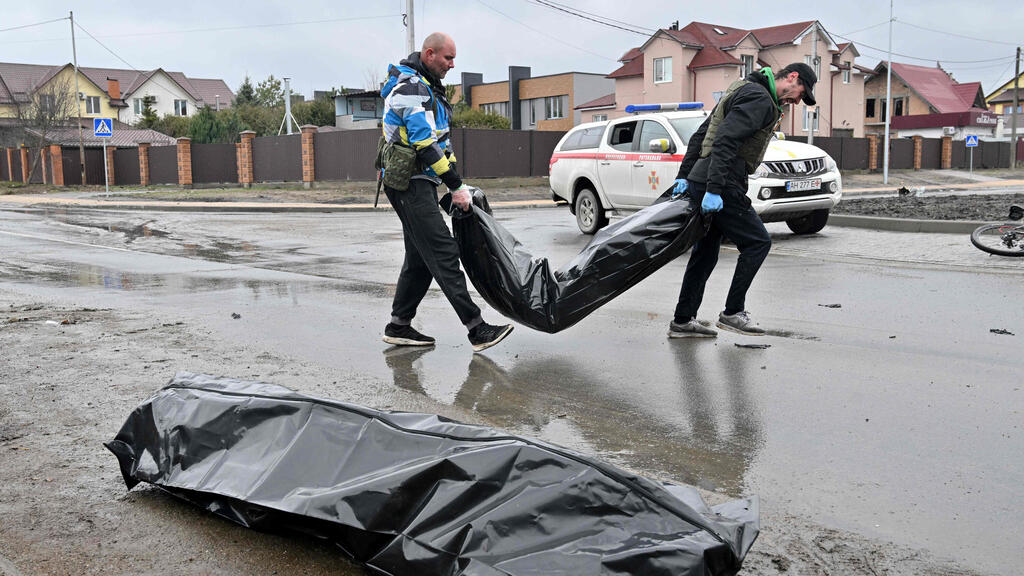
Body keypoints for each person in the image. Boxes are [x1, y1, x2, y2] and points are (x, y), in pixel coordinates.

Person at [379, 32, 513, 352]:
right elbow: (424, 143)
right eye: (448, 58)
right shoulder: (411, 88)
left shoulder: (429, 88)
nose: (452, 65)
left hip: (420, 181)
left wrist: (456, 184)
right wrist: (454, 185)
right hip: (408, 183)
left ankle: (399, 326)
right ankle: (476, 329)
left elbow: (442, 143)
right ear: (429, 54)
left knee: (420, 258)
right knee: (443, 251)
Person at [668, 63, 816, 338]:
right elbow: (725, 140)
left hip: (705, 178)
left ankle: (683, 320)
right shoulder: (759, 98)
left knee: (705, 253)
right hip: (722, 182)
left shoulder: (742, 88)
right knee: (758, 242)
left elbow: (702, 133)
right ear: (792, 77)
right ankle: (733, 313)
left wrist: (686, 175)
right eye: (801, 93)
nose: (797, 101)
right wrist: (714, 189)